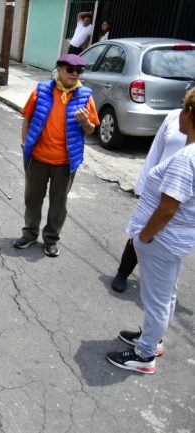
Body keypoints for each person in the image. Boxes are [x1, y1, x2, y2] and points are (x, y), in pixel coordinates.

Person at [106, 88, 195, 375]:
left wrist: (144, 236)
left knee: (156, 299)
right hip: (177, 239)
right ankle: (151, 339)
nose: (179, 112)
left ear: (190, 114)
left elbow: (168, 208)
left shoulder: (186, 160)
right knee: (167, 293)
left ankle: (144, 355)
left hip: (163, 239)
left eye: (183, 107)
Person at [13, 54, 99, 257]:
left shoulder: (85, 96)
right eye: (70, 70)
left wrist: (85, 122)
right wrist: (25, 144)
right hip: (38, 158)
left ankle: (51, 239)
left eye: (79, 71)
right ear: (59, 70)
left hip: (66, 162)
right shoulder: (42, 90)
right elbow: (27, 118)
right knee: (32, 199)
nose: (75, 74)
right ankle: (30, 233)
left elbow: (91, 129)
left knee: (59, 203)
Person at [110, 109, 187, 292]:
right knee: (140, 232)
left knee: (172, 242)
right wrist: (143, 185)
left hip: (185, 196)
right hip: (158, 188)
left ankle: (161, 283)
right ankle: (123, 272)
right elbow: (155, 152)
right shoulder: (175, 116)